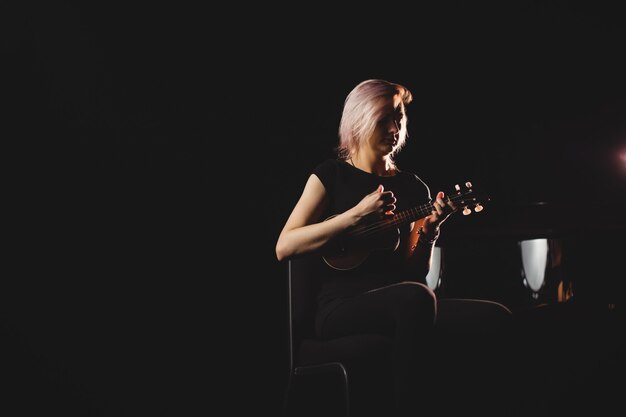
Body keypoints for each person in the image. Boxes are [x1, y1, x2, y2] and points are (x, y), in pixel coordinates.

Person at [275, 79, 459, 415]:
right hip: (338, 309)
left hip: (400, 304)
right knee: (416, 301)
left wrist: (429, 232)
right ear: (360, 120)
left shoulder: (414, 188)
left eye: (399, 118)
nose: (394, 128)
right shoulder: (329, 176)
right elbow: (285, 246)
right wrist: (355, 215)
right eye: (384, 119)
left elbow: (415, 276)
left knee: (492, 318)